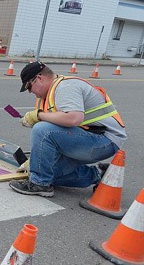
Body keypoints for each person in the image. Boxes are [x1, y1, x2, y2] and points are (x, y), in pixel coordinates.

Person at [9, 62, 126, 197]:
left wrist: (39, 116)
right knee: (50, 172)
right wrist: (37, 161)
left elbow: (73, 118)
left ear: (40, 78)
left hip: (105, 141)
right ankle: (99, 174)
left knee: (42, 129)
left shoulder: (65, 87)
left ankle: (40, 184)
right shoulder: (48, 95)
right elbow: (58, 134)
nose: (30, 91)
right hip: (86, 137)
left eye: (29, 86)